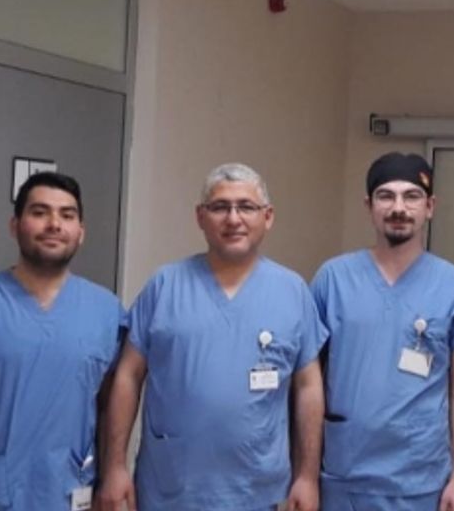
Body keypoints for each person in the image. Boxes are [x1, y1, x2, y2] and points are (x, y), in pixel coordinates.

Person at [99, 163, 326, 511]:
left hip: (257, 491)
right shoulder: (165, 286)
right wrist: (115, 467)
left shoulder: (292, 291)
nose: (233, 219)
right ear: (200, 217)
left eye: (246, 207)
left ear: (267, 217)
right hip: (170, 488)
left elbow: (308, 387)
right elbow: (128, 375)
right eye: (220, 207)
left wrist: (307, 477)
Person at [0, 172, 125, 511]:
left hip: (69, 492)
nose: (54, 224)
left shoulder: (107, 311)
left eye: (67, 215)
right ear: (15, 226)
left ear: (81, 232)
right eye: (40, 212)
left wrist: (113, 474)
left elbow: (111, 406)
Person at [311, 152, 454, 511]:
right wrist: (305, 473)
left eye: (412, 196)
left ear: (430, 207)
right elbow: (308, 383)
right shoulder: (333, 279)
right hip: (344, 475)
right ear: (369, 206)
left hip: (420, 480)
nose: (399, 208)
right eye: (386, 196)